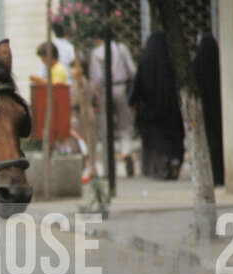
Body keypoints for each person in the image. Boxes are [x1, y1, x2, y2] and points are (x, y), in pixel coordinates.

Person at [128, 31, 184, 180]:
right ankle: (172, 162)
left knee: (155, 140)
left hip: (149, 109)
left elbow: (138, 84)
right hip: (170, 108)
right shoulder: (170, 60)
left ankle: (159, 168)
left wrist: (134, 101)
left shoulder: (146, 60)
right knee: (170, 138)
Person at [88, 34, 137, 177]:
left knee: (106, 129)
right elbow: (132, 71)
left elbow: (96, 78)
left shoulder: (97, 52)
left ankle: (109, 167)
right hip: (121, 88)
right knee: (125, 126)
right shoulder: (122, 48)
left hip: (105, 91)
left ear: (99, 39)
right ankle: (126, 152)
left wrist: (95, 97)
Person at [192, 31, 224, 186]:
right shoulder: (220, 64)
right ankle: (220, 175)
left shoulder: (197, 64)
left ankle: (209, 177)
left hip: (203, 110)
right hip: (219, 110)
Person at [69, 58, 99, 181]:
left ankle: (89, 169)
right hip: (89, 114)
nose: (72, 71)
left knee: (84, 144)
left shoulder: (80, 83)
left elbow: (76, 101)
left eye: (75, 68)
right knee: (88, 143)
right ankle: (90, 168)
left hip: (81, 117)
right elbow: (97, 100)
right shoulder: (89, 82)